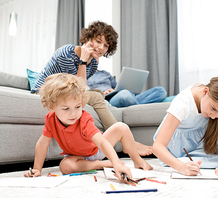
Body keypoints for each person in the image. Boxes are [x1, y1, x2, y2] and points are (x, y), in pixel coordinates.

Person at [31, 21, 152, 156]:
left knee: (98, 94)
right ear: (88, 38)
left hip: (65, 92)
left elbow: (78, 90)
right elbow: (76, 90)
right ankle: (128, 143)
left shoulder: (93, 62)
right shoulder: (66, 54)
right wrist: (83, 61)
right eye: (98, 41)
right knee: (96, 96)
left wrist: (87, 61)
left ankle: (125, 140)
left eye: (106, 45)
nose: (101, 47)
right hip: (45, 92)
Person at [24, 73, 153, 180]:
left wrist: (116, 163)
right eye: (66, 108)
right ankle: (99, 165)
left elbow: (102, 142)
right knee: (65, 167)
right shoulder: (50, 119)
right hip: (76, 156)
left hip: (96, 150)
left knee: (121, 127)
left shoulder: (84, 119)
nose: (73, 113)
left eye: (78, 107)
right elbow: (42, 144)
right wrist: (36, 169)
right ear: (52, 108)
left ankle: (137, 159)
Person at [87, 70, 167, 108]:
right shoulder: (83, 72)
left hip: (117, 94)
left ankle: (133, 103)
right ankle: (139, 110)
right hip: (106, 99)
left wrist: (113, 90)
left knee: (160, 91)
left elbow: (117, 87)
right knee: (125, 94)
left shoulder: (105, 73)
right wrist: (102, 93)